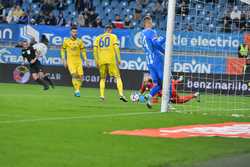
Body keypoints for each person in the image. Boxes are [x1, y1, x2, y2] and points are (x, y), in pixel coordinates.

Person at [93, 24, 128, 102]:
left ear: (105, 30)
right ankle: (121, 94)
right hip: (111, 60)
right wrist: (119, 59)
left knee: (102, 78)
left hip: (101, 60)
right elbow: (116, 47)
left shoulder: (98, 38)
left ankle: (102, 96)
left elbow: (94, 50)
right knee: (117, 77)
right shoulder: (113, 36)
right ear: (111, 30)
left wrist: (96, 61)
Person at [140, 15, 166, 109]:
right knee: (166, 81)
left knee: (159, 84)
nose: (152, 24)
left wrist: (162, 39)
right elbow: (156, 43)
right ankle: (167, 104)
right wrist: (164, 51)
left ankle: (149, 96)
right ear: (148, 23)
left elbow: (152, 44)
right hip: (156, 59)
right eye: (151, 22)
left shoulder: (141, 33)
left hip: (149, 61)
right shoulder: (151, 31)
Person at [61, 25, 88, 97]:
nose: (75, 33)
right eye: (73, 32)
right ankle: (77, 91)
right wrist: (63, 60)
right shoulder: (66, 40)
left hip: (78, 61)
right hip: (70, 61)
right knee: (74, 75)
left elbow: (83, 51)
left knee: (81, 77)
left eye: (76, 32)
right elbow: (62, 50)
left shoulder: (80, 41)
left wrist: (85, 59)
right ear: (70, 32)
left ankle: (77, 89)